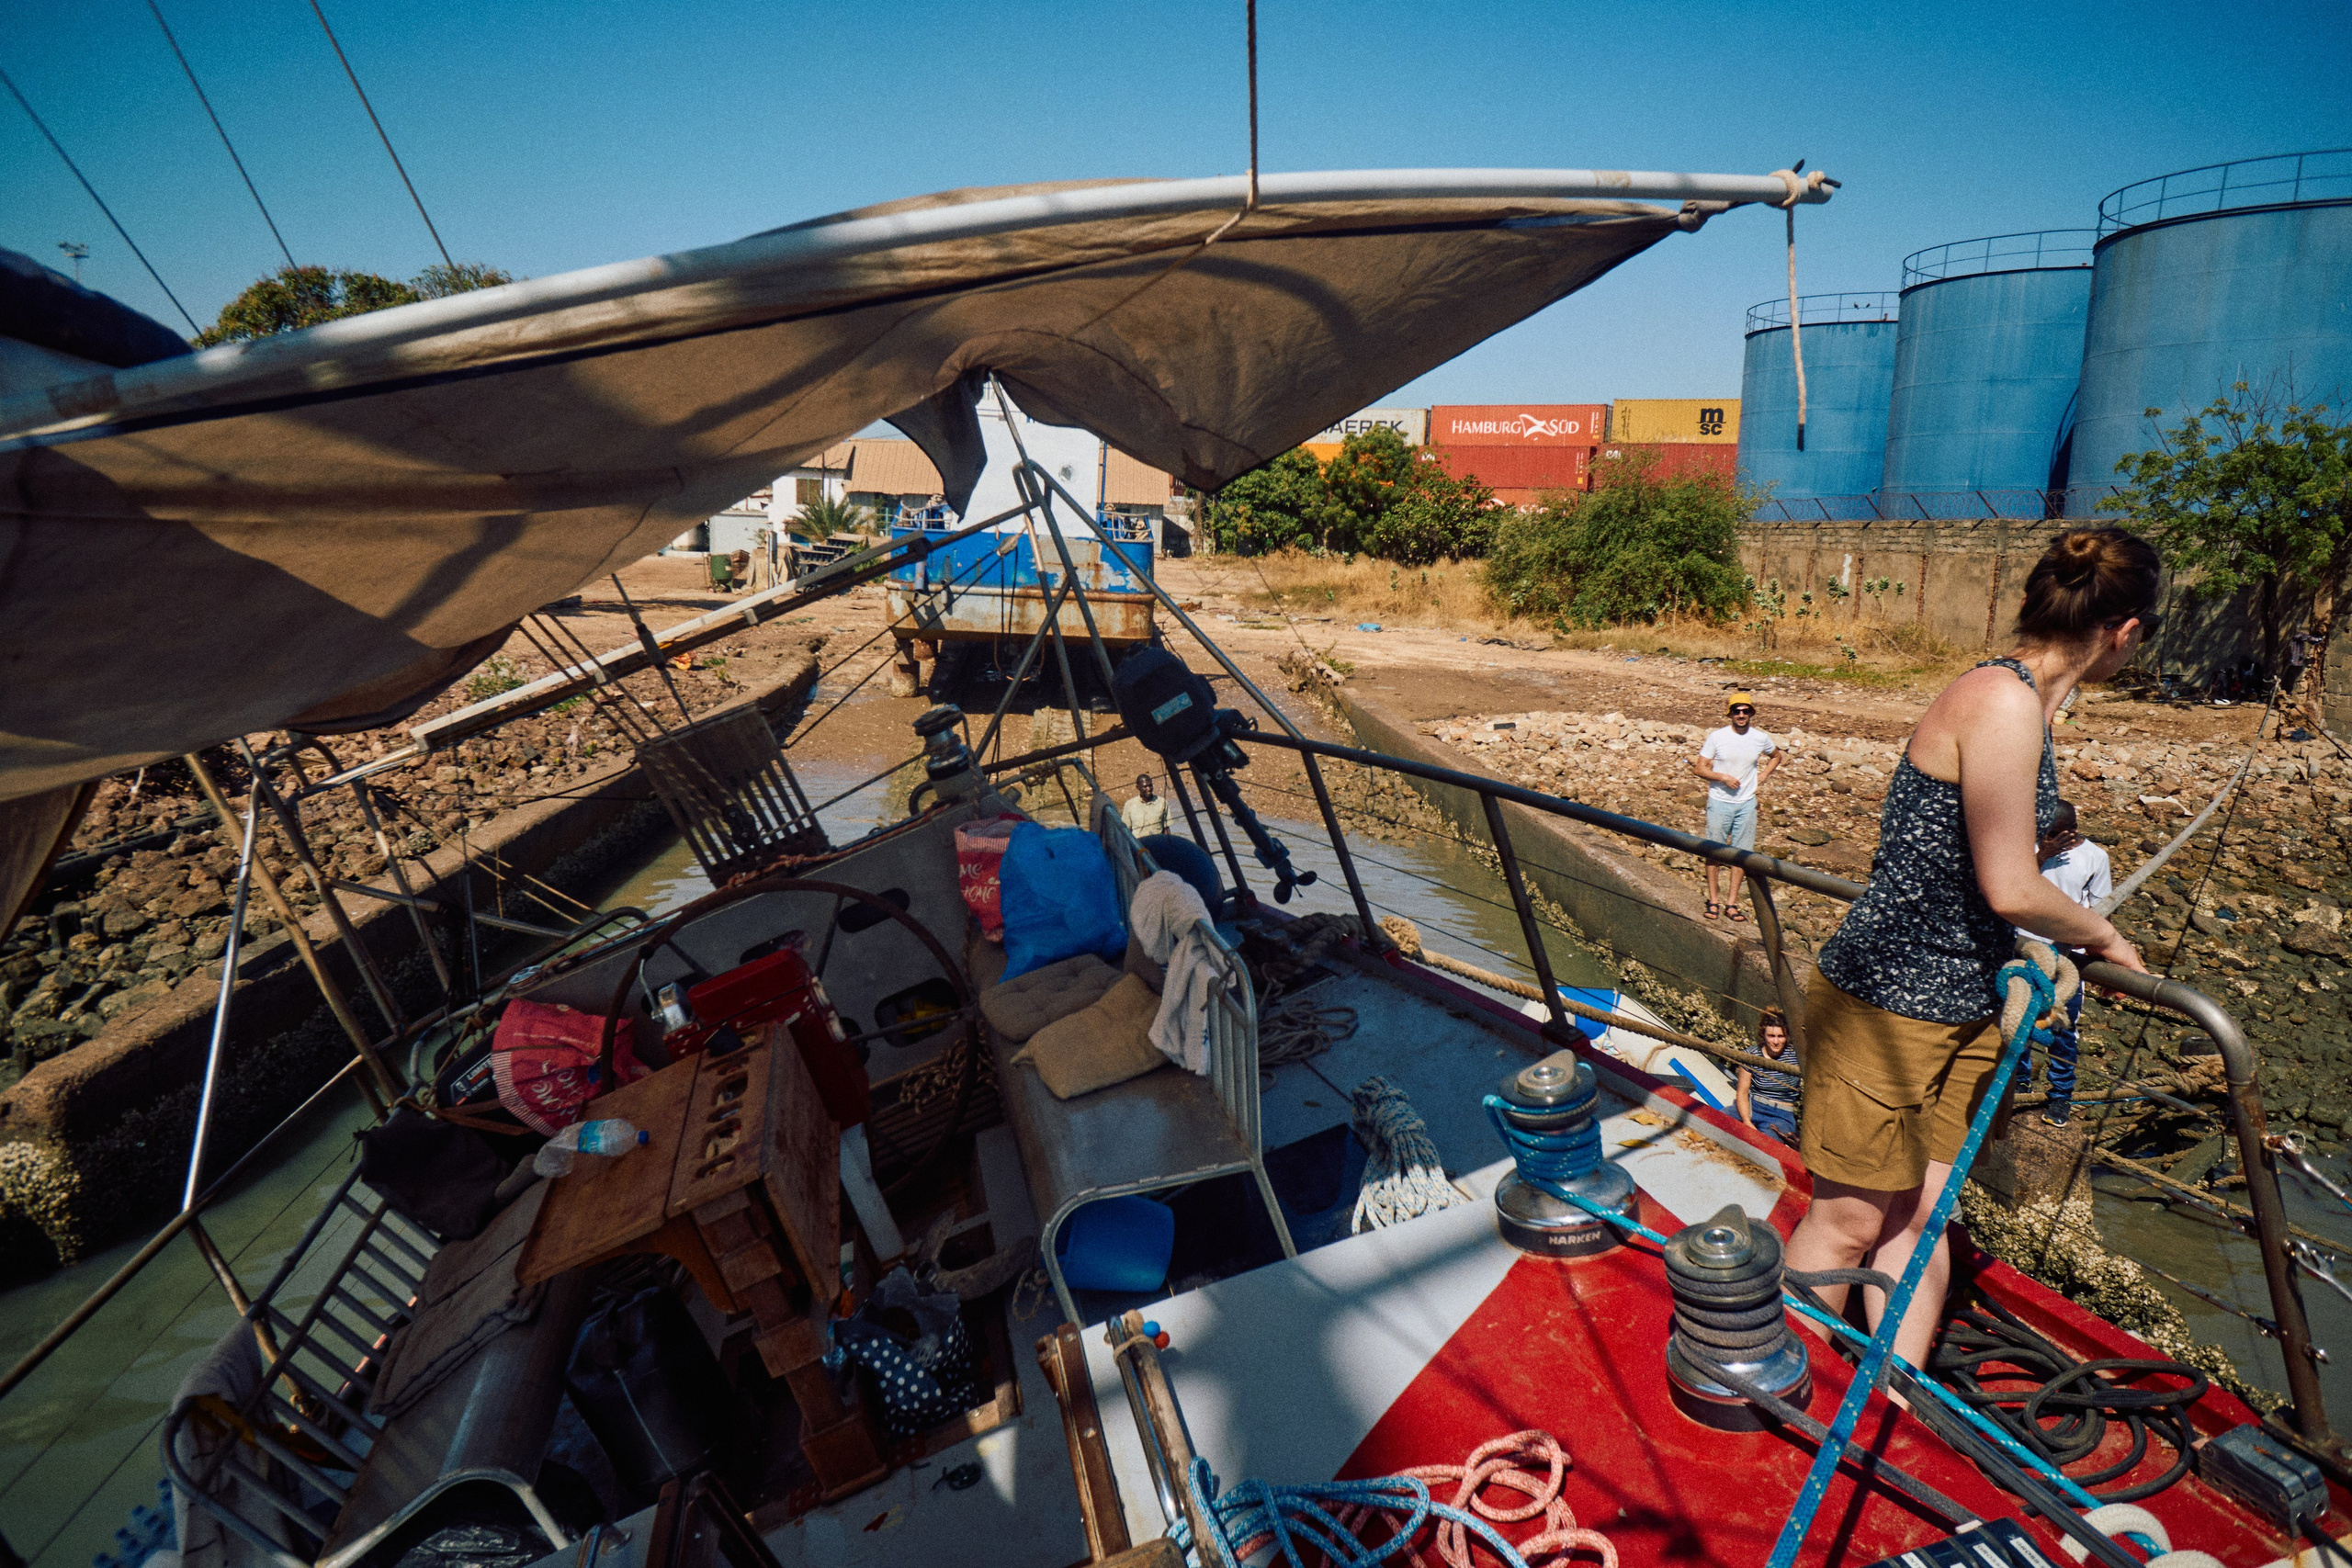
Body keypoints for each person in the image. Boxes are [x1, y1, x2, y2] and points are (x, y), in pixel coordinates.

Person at [1783, 527, 2154, 1373]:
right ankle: (1790, 1401)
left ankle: (1893, 1400)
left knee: (1921, 1216)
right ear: (2124, 630)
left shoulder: (2028, 702)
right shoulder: (2003, 701)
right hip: (1885, 999)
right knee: (1847, 1218)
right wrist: (2102, 935)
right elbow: (2010, 886)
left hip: (1964, 1002)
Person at [2018, 800, 2111, 1128]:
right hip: (2021, 949)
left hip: (2063, 958)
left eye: (2059, 834)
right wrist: (2041, 854)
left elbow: (2100, 913)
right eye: (2046, 832)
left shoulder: (2095, 858)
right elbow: (2011, 884)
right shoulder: (2026, 848)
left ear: (2073, 829)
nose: (2053, 838)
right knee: (2017, 1022)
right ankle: (2019, 1086)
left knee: (2061, 1029)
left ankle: (2061, 1096)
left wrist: (2101, 958)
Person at [1692, 692, 1780, 922]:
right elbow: (1699, 769)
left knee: (1741, 856)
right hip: (1720, 802)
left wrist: (1762, 777)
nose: (1741, 715)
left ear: (1751, 713)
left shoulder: (1760, 738)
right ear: (1730, 713)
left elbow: (1776, 756)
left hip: (1746, 804)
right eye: (1737, 711)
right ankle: (1714, 901)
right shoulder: (1717, 737)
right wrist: (1722, 777)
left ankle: (1732, 904)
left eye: (1745, 711)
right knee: (1713, 853)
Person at [1736, 1008, 1802, 1145]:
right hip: (1752, 1107)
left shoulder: (1797, 1057)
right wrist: (1746, 1121)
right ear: (1763, 1035)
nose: (1776, 1041)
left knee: (1763, 1146)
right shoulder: (1751, 1054)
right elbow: (1742, 1092)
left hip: (1781, 1116)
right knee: (1717, 1120)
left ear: (1787, 1036)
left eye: (1781, 1036)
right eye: (1771, 1036)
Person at [1122, 773, 1170, 838]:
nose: (1149, 789)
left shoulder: (1162, 802)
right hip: (1139, 845)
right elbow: (1126, 831)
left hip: (1158, 843)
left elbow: (1166, 828)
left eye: (1150, 786)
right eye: (1145, 787)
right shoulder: (1129, 805)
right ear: (1138, 787)